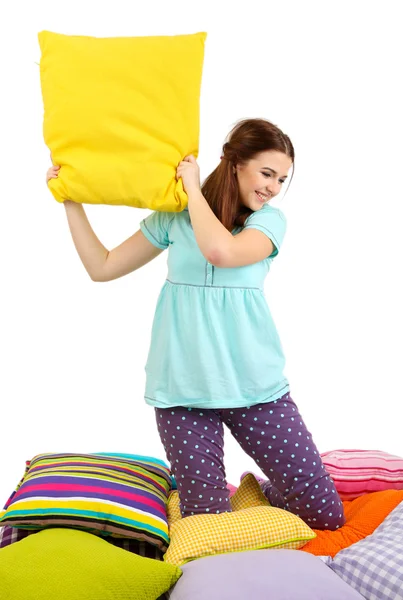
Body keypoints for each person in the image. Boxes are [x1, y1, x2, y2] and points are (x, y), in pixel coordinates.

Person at [46, 118, 345, 530]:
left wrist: (191, 191)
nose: (273, 187)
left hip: (255, 389)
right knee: (207, 524)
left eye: (281, 179)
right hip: (182, 393)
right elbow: (103, 266)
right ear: (234, 162)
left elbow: (221, 251)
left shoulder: (268, 223)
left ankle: (265, 492)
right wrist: (70, 202)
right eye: (267, 173)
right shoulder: (174, 219)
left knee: (326, 516)